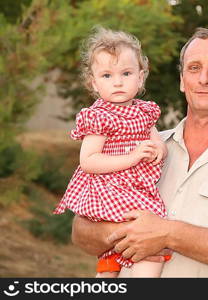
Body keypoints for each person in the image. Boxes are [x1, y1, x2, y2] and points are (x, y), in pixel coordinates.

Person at [71, 27, 208, 277]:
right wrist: (129, 232)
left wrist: (167, 233)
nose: (203, 79)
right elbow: (81, 231)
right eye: (194, 68)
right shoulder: (140, 146)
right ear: (181, 80)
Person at [54, 26, 168, 278]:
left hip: (137, 189)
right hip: (110, 191)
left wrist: (159, 147)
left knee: (142, 242)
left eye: (126, 73)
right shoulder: (100, 116)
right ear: (93, 83)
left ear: (141, 77)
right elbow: (89, 161)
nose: (117, 82)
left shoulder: (144, 111)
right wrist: (133, 157)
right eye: (107, 75)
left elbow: (156, 138)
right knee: (139, 242)